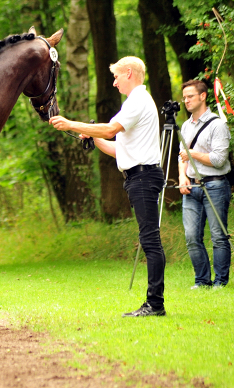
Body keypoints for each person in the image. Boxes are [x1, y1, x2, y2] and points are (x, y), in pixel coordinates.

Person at [50, 56, 166, 317]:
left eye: (115, 77)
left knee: (150, 241)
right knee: (149, 240)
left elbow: (110, 129)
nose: (113, 83)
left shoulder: (137, 101)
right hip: (139, 176)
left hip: (144, 178)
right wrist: (91, 133)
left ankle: (155, 305)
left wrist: (70, 124)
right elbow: (117, 148)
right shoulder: (134, 103)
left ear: (128, 73)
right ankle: (154, 303)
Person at [178, 80, 231, 289]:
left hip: (215, 185)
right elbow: (181, 157)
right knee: (191, 236)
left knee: (218, 236)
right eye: (184, 97)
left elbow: (218, 160)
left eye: (190, 96)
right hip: (191, 187)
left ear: (203, 96)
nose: (186, 101)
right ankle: (201, 281)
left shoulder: (218, 124)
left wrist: (191, 154)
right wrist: (182, 177)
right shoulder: (185, 125)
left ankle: (220, 281)